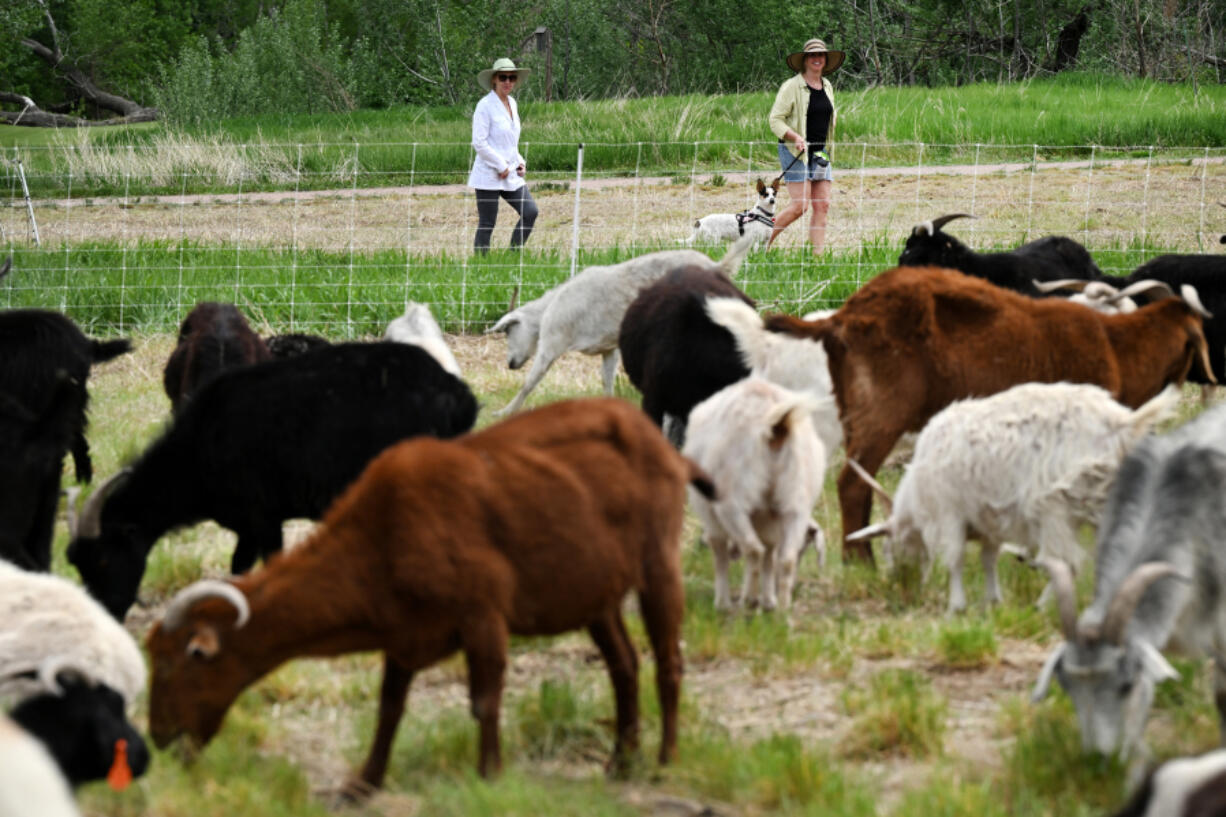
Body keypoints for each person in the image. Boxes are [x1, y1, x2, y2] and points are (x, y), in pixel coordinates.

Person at [766, 38, 845, 255]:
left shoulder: (827, 86)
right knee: (800, 205)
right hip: (795, 152)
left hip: (820, 152)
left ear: (826, 60)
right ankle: (761, 243)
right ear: (805, 60)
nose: (817, 59)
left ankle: (816, 258)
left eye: (821, 55)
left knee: (823, 205)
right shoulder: (791, 86)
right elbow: (775, 120)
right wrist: (795, 137)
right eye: (812, 55)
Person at [468, 57, 539, 254]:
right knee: (487, 222)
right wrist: (501, 166)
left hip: (510, 173)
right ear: (494, 79)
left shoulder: (512, 104)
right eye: (503, 77)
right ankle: (481, 266)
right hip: (488, 174)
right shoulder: (484, 106)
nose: (507, 82)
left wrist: (520, 162)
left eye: (512, 78)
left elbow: (510, 141)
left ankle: (512, 256)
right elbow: (479, 143)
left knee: (530, 212)